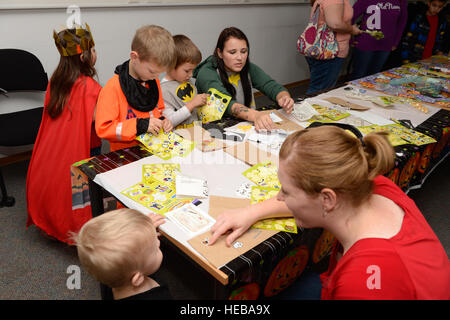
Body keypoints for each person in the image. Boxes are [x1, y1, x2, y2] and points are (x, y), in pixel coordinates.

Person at [209, 124, 450, 299]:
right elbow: (308, 197)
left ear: (327, 199)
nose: (279, 197)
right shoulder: (372, 184)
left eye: (286, 191)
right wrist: (253, 211)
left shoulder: (362, 283)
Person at [26, 24, 102, 244]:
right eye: (94, 50)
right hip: (86, 147)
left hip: (54, 150)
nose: (97, 54)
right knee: (87, 187)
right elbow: (99, 120)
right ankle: (84, 227)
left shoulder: (56, 80)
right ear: (85, 57)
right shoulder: (90, 87)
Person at [194, 27, 294, 132]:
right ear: (220, 53)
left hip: (242, 124)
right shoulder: (207, 73)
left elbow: (270, 85)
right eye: (232, 52)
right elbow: (225, 103)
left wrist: (284, 97)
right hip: (214, 129)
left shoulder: (247, 67)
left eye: (243, 51)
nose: (240, 58)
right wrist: (255, 115)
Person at [95, 25, 175, 152]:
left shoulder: (153, 81)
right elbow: (104, 129)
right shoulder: (112, 88)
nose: (155, 77)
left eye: (159, 73)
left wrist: (163, 121)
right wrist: (139, 126)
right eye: (152, 71)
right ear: (134, 57)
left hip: (152, 152)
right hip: (126, 157)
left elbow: (157, 112)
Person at [73, 208, 172, 300]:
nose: (158, 243)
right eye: (155, 249)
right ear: (138, 279)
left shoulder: (114, 277)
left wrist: (146, 230)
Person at [305, 0, 362, 95]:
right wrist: (352, 29)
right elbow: (335, 24)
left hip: (320, 49)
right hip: (330, 52)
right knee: (320, 91)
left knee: (319, 88)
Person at [351, 0, 408, 80]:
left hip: (386, 45)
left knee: (374, 76)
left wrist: (395, 42)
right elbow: (350, 17)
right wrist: (351, 38)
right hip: (366, 43)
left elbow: (402, 22)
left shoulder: (401, 1)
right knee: (359, 76)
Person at [161, 34, 209, 128]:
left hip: (197, 131)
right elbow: (169, 121)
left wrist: (203, 101)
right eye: (187, 71)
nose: (191, 75)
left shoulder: (187, 80)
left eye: (193, 70)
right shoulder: (163, 90)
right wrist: (192, 104)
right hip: (180, 137)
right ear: (170, 65)